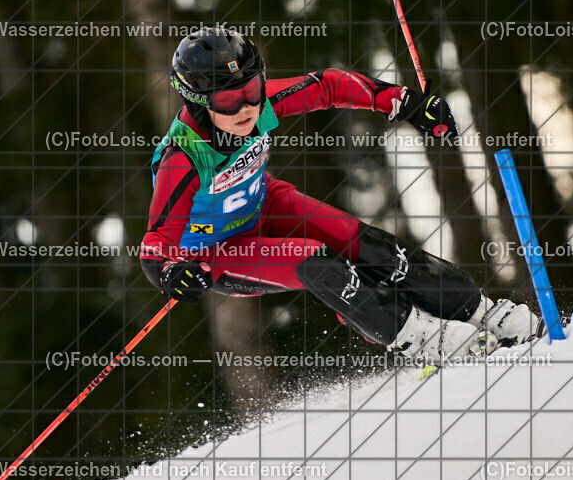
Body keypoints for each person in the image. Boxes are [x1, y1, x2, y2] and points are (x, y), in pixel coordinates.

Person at [141, 27, 538, 365]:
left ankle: (482, 312)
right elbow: (156, 244)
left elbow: (327, 86)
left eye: (251, 88)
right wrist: (171, 272)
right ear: (198, 101)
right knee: (317, 262)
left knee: (366, 245)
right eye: (228, 100)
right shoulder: (184, 158)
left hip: (264, 206)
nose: (247, 107)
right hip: (218, 250)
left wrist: (406, 103)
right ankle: (419, 337)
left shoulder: (261, 105)